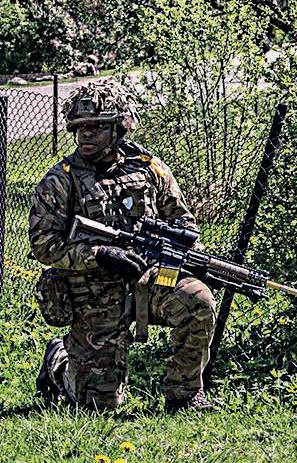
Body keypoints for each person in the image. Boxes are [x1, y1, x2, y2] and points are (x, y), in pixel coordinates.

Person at [29, 80, 217, 413]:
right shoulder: (61, 180)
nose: (87, 134)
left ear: (119, 128)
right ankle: (59, 361)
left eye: (98, 127)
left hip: (149, 277)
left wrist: (180, 252)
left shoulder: (149, 169)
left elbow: (184, 224)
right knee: (98, 404)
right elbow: (44, 245)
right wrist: (99, 255)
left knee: (198, 300)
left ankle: (185, 394)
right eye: (81, 128)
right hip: (92, 291)